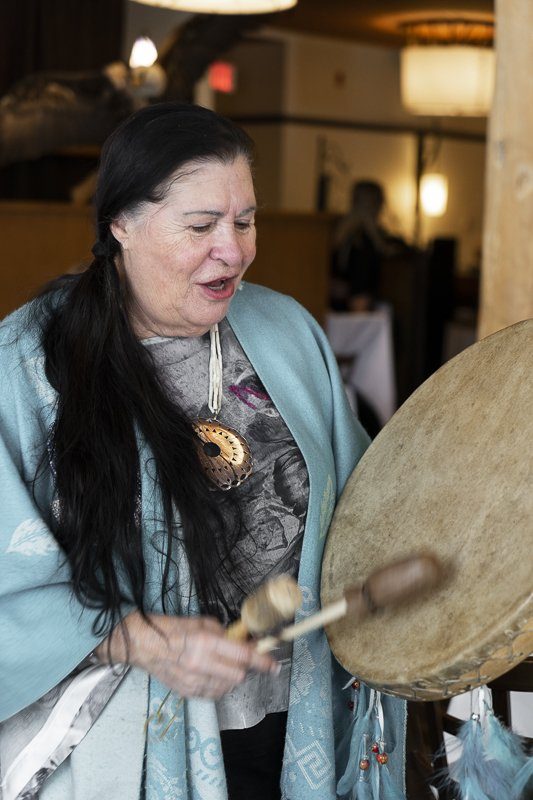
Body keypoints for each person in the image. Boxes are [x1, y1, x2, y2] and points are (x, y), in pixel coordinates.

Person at [0, 103, 406, 800]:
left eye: (245, 221)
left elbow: (366, 502)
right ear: (119, 225)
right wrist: (140, 638)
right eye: (200, 226)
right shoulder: (27, 365)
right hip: (124, 740)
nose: (234, 249)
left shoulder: (284, 330)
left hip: (296, 718)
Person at [331, 180, 405, 313]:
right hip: (357, 307)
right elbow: (360, 282)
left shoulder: (341, 233)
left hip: (338, 307)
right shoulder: (363, 239)